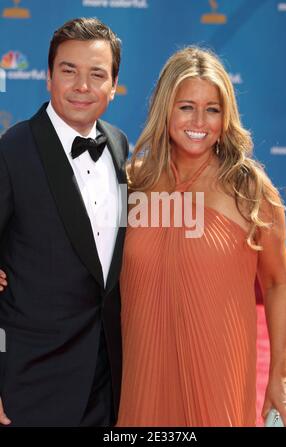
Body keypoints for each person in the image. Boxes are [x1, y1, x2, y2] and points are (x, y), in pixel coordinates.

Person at [115, 47, 286, 426]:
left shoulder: (248, 189)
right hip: (140, 376)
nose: (199, 121)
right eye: (186, 107)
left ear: (225, 115)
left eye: (212, 109)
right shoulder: (132, 182)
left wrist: (279, 376)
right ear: (166, 108)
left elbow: (279, 283)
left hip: (219, 379)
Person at [0, 17, 128, 426]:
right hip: (33, 381)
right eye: (69, 70)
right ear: (48, 78)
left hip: (108, 380)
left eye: (97, 74)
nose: (82, 86)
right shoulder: (12, 150)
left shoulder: (119, 144)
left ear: (113, 86)